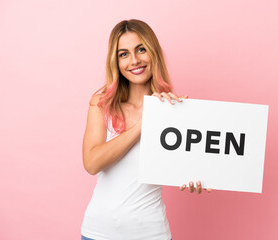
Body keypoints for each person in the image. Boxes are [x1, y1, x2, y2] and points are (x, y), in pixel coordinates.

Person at [80, 19, 212, 240]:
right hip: (97, 233)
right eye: (124, 54)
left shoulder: (175, 111)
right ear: (116, 61)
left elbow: (186, 165)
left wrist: (196, 178)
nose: (134, 60)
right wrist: (143, 124)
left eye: (141, 49)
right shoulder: (101, 103)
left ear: (153, 53)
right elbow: (92, 163)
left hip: (151, 234)